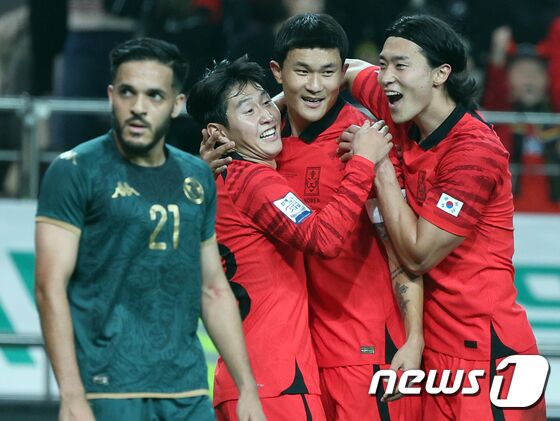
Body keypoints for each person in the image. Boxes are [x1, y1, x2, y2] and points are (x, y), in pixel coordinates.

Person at [200, 13, 423, 420]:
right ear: (278, 73)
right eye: (302, 71)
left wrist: (415, 338)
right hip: (295, 365)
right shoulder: (262, 142)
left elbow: (402, 248)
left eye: (328, 73)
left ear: (342, 74)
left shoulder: (366, 140)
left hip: (366, 354)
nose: (316, 86)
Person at [34, 37, 265, 421]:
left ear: (176, 104)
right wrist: (72, 395)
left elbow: (212, 288)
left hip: (187, 391)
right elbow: (49, 288)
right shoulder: (74, 171)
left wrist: (246, 389)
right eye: (128, 92)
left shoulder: (196, 177)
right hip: (107, 391)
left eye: (154, 96)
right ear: (111, 95)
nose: (139, 107)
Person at [343, 14, 546, 420]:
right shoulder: (396, 100)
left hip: (488, 355)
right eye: (384, 64)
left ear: (440, 74)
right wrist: (266, 112)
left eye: (400, 65)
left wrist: (377, 165)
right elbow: (344, 71)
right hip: (432, 350)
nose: (385, 77)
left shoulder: (474, 153)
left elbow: (418, 255)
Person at [483, 27, 560, 212]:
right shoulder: (498, 121)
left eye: (536, 72)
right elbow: (494, 91)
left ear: (548, 80)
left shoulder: (556, 120)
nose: (530, 78)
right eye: (521, 71)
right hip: (511, 219)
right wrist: (498, 54)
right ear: (507, 81)